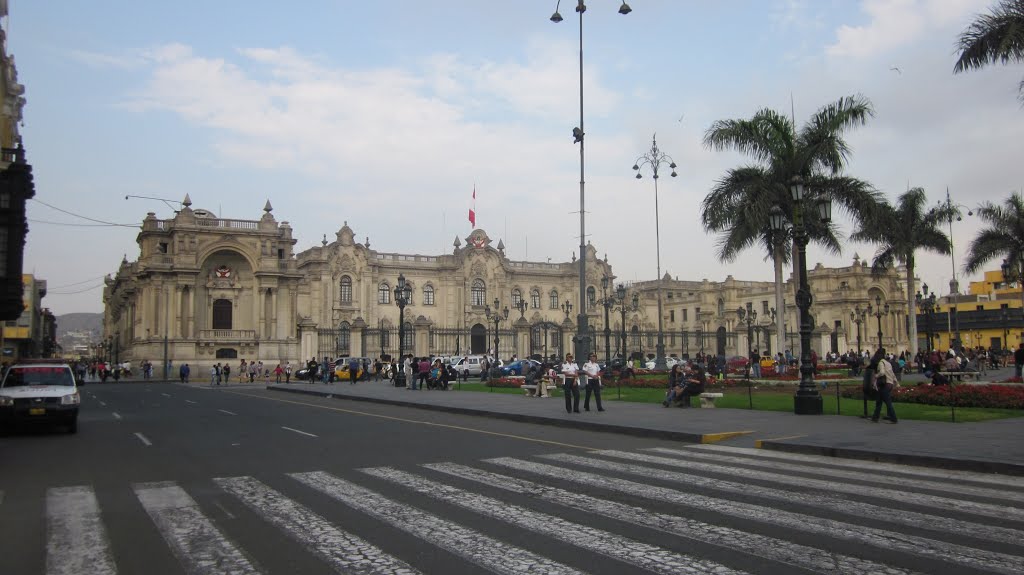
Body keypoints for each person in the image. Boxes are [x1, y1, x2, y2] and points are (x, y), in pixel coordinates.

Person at [870, 347, 899, 423]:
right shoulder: (888, 363)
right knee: (879, 401)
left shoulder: (881, 363)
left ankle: (894, 418)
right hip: (890, 384)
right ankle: (875, 417)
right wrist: (896, 382)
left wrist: (876, 375)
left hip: (884, 385)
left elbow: (882, 372)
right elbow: (892, 374)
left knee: (888, 402)